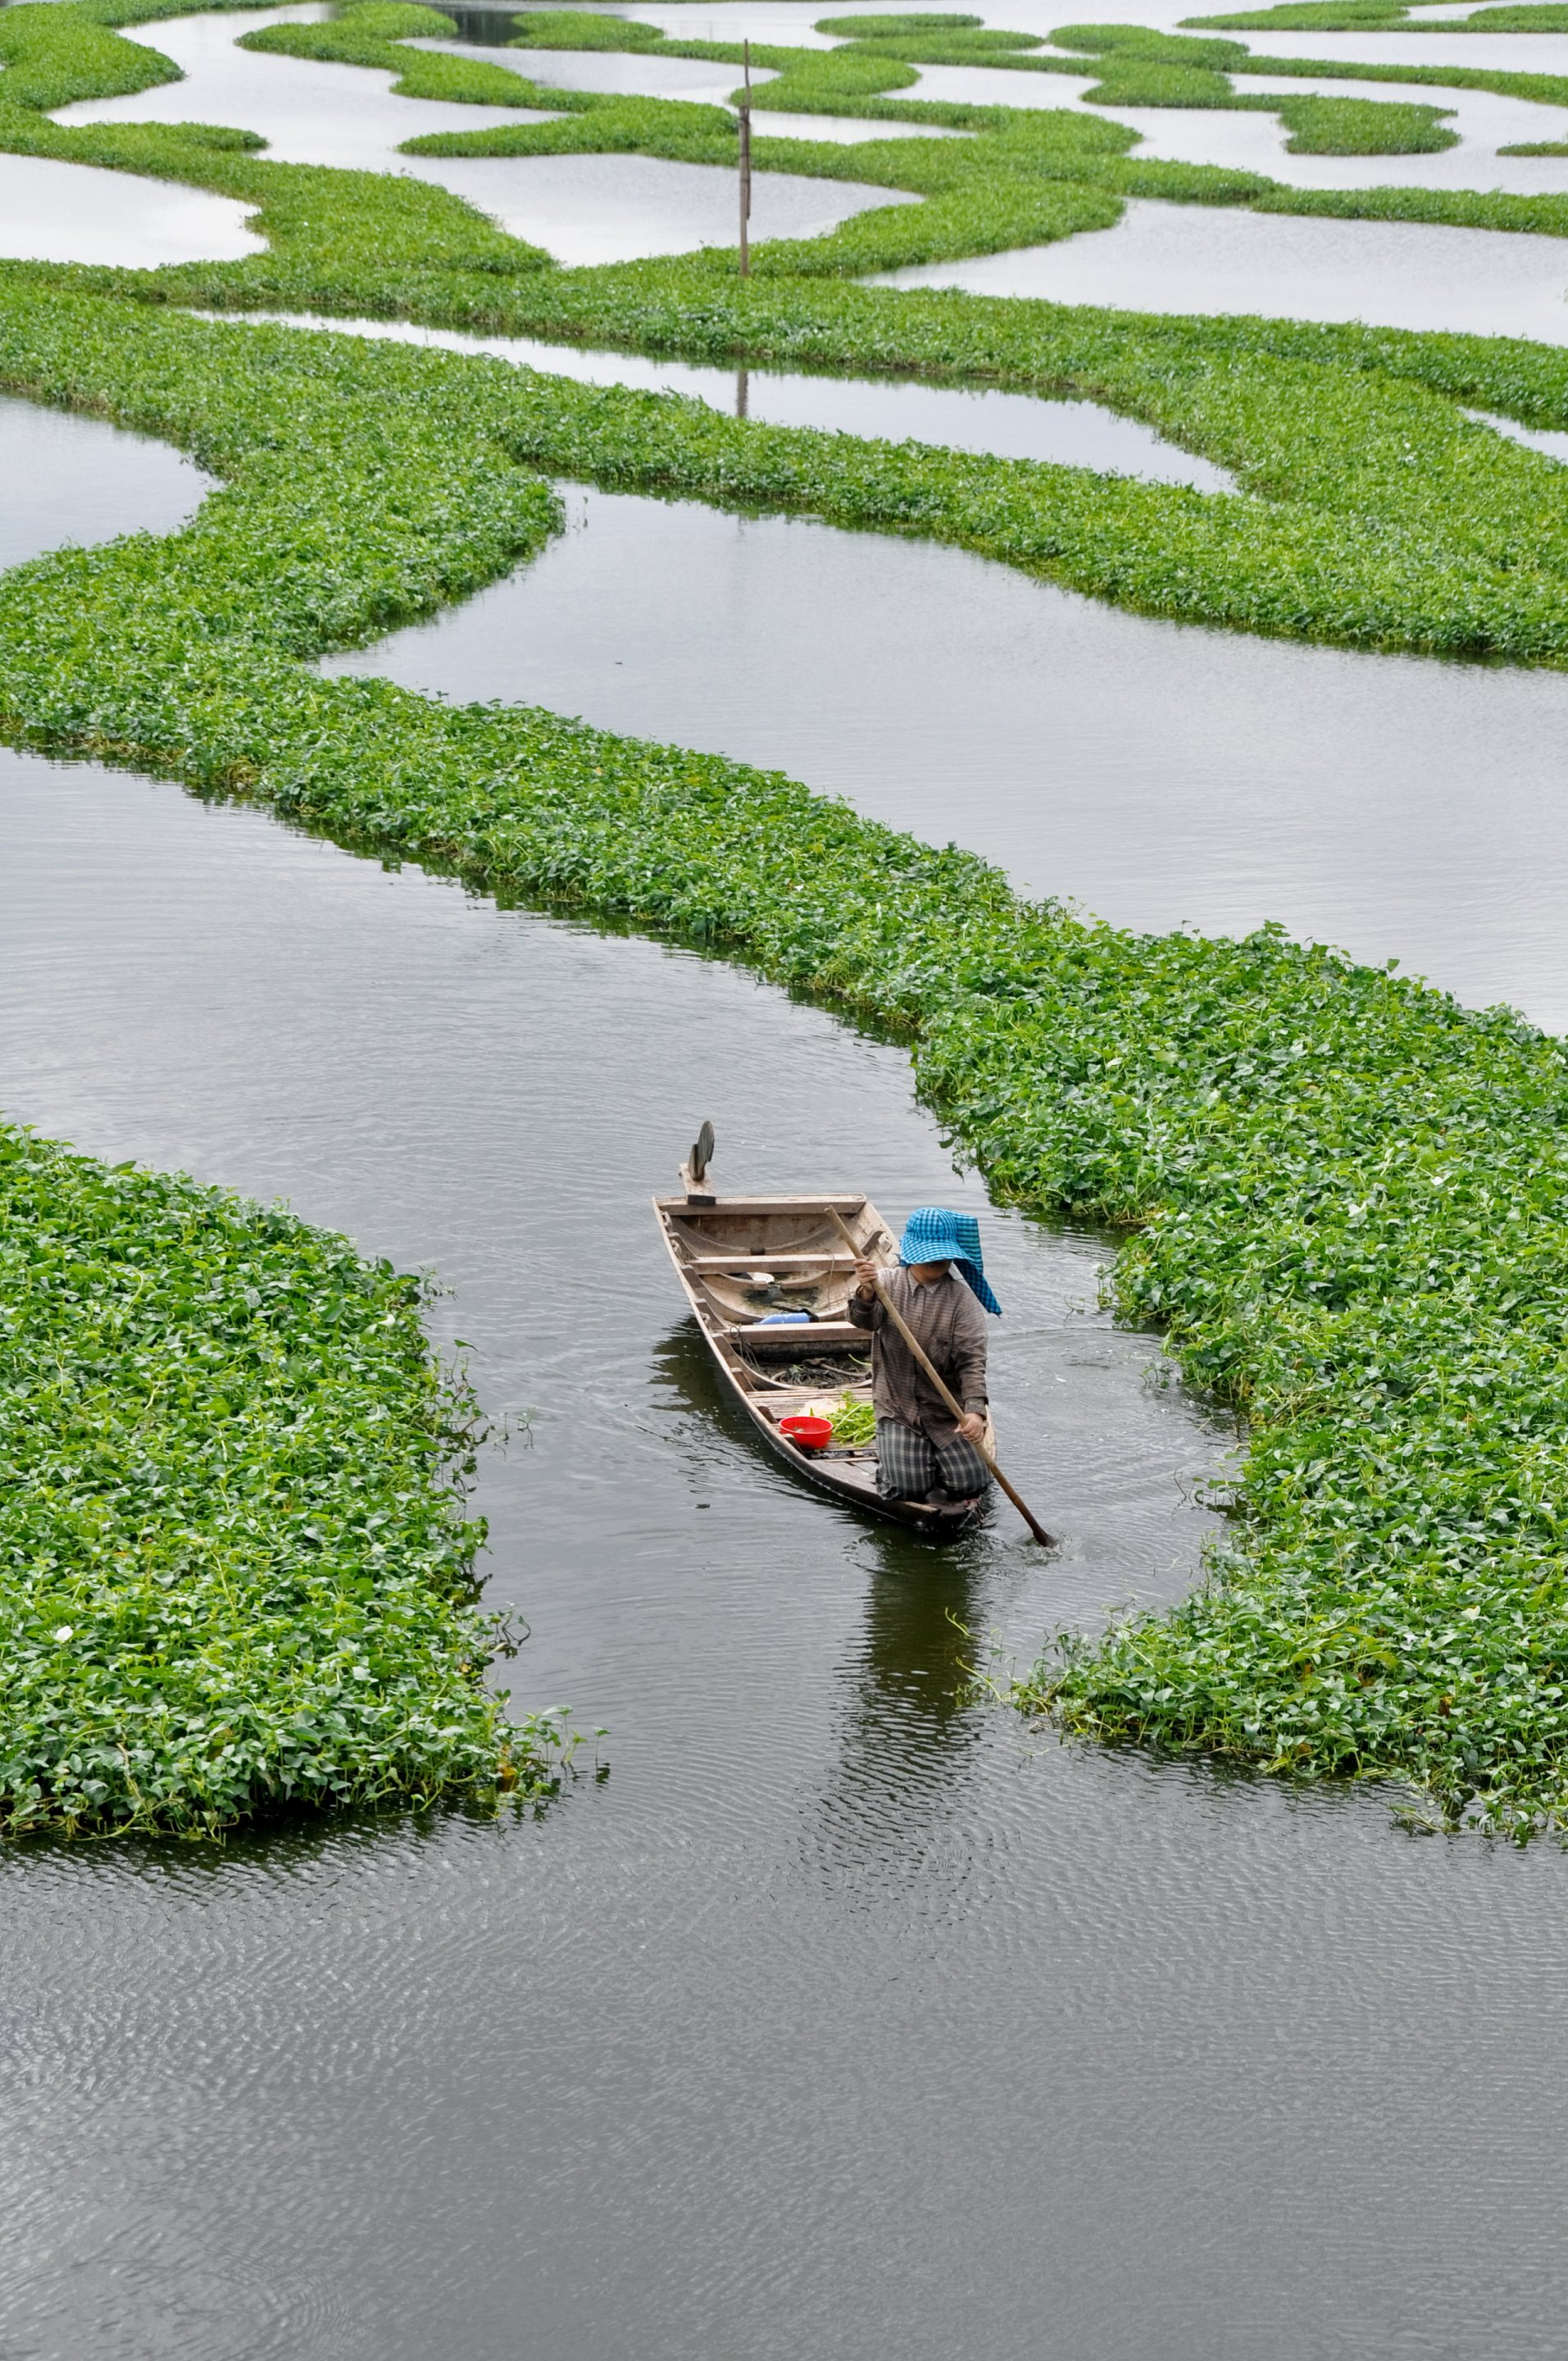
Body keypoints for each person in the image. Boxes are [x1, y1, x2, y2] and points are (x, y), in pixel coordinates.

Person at [847, 1205, 1001, 1506]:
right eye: (929, 1253)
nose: (937, 1260)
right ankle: (897, 1463)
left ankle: (932, 1463)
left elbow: (972, 1363)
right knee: (906, 1489)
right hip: (899, 1408)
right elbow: (864, 1322)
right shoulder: (885, 1283)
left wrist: (974, 1411)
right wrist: (866, 1291)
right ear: (914, 1251)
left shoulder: (962, 1301)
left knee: (973, 1484)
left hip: (945, 1414)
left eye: (943, 1254)